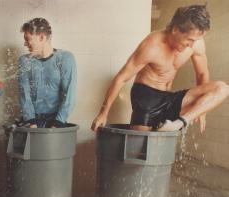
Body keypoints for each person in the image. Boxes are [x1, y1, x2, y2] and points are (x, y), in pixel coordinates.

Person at [91, 4, 229, 132]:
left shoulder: (196, 43)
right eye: (190, 40)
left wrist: (201, 110)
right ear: (175, 30)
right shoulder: (152, 45)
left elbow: (202, 73)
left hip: (169, 98)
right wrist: (103, 113)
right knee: (140, 152)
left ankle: (181, 122)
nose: (192, 45)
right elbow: (122, 78)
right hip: (146, 98)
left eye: (195, 40)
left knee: (222, 88)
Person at [18, 18, 77, 128]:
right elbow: (24, 94)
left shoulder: (65, 58)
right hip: (32, 119)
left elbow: (69, 94)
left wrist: (58, 122)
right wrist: (31, 121)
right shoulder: (25, 61)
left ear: (41, 37)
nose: (25, 44)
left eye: (28, 39)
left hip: (56, 119)